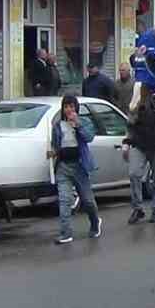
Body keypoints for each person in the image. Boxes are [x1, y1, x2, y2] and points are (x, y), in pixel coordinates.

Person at [51, 95, 102, 244]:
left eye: (72, 107)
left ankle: (95, 222)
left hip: (79, 165)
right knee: (65, 200)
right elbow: (56, 144)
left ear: (76, 108)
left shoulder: (83, 121)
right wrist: (54, 152)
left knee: (87, 201)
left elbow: (89, 137)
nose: (69, 110)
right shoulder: (58, 125)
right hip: (63, 166)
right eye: (66, 107)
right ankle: (65, 233)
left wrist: (78, 124)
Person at [123, 87, 155, 225]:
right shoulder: (138, 99)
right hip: (140, 143)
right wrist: (126, 142)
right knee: (134, 173)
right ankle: (138, 208)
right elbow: (130, 123)